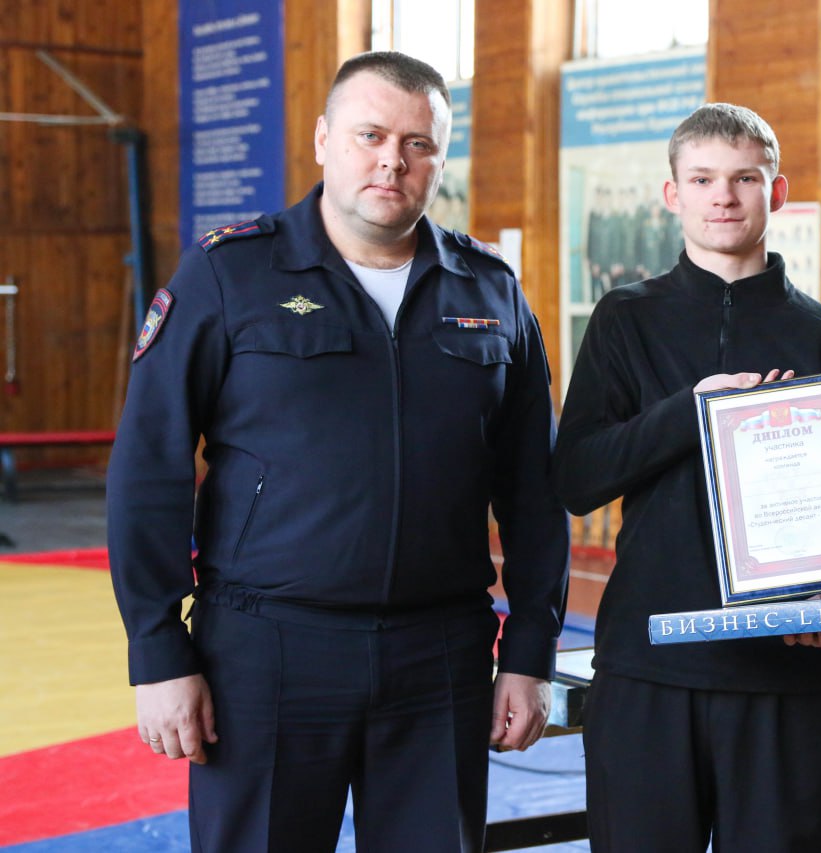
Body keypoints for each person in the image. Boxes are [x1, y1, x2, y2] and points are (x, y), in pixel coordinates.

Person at [107, 51, 569, 852]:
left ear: (440, 159)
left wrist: (529, 651)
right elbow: (148, 467)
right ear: (323, 139)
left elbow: (534, 489)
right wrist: (157, 650)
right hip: (267, 653)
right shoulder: (230, 273)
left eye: (418, 144)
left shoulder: (490, 290)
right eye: (370, 135)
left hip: (440, 656)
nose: (393, 161)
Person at [552, 103, 821, 852]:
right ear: (672, 194)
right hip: (650, 671)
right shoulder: (624, 320)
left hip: (788, 676)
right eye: (703, 179)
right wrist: (691, 412)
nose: (724, 197)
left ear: (777, 190)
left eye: (745, 178)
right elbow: (577, 478)